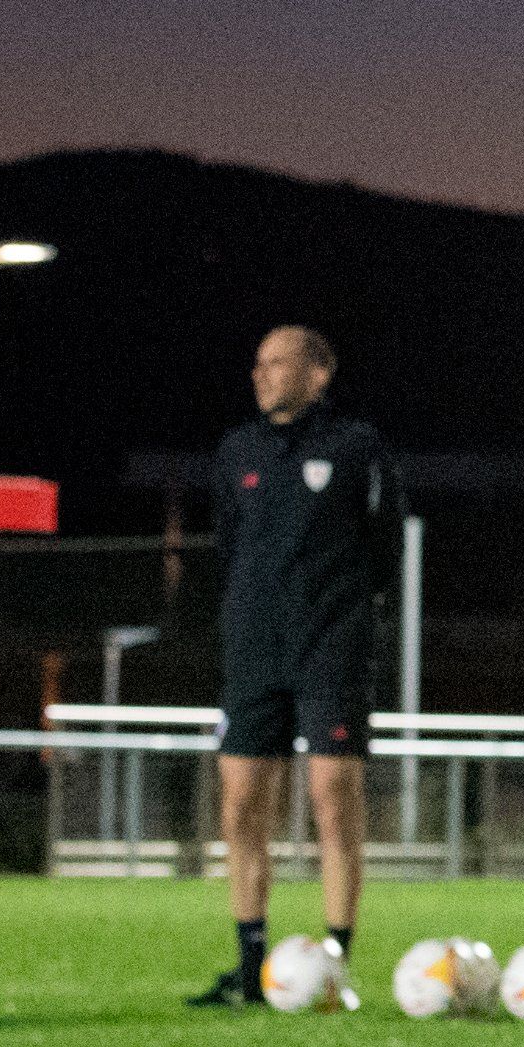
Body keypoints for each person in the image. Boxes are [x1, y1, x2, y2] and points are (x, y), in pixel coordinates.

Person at [187, 324, 400, 1008]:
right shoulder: (237, 450)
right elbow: (229, 546)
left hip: (332, 647)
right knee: (243, 802)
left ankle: (334, 960)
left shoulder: (356, 447)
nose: (262, 372)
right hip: (253, 650)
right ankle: (250, 968)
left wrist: (352, 618)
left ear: (318, 374)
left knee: (333, 793)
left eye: (278, 362)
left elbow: (384, 548)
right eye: (258, 362)